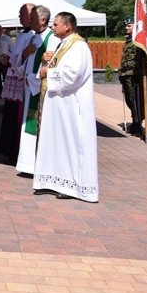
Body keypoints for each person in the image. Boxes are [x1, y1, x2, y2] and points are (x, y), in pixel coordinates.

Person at [33, 12, 98, 202]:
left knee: (70, 144)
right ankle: (53, 181)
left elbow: (72, 75)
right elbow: (53, 68)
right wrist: (45, 63)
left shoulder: (78, 46)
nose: (53, 27)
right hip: (58, 106)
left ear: (67, 26)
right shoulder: (62, 44)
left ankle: (72, 185)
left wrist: (48, 72)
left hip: (70, 106)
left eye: (56, 24)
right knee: (56, 142)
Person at [16, 5, 59, 176]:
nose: (30, 21)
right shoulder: (34, 38)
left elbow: (53, 65)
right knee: (28, 127)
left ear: (42, 20)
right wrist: (25, 54)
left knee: (38, 126)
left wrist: (33, 79)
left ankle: (39, 165)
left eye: (32, 18)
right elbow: (22, 65)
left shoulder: (52, 39)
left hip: (40, 91)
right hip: (29, 88)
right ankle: (28, 164)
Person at [0, 3, 37, 162]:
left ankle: (16, 152)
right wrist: (8, 59)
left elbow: (26, 59)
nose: (19, 17)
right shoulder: (23, 34)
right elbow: (18, 55)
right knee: (11, 116)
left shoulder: (33, 36)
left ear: (30, 16)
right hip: (14, 79)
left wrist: (11, 61)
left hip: (22, 84)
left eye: (22, 14)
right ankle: (10, 151)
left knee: (17, 118)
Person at [119, 17, 143, 135]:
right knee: (129, 99)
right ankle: (135, 120)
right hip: (126, 74)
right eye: (126, 26)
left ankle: (137, 123)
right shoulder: (128, 41)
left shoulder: (137, 41)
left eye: (129, 26)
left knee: (135, 99)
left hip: (133, 75)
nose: (126, 28)